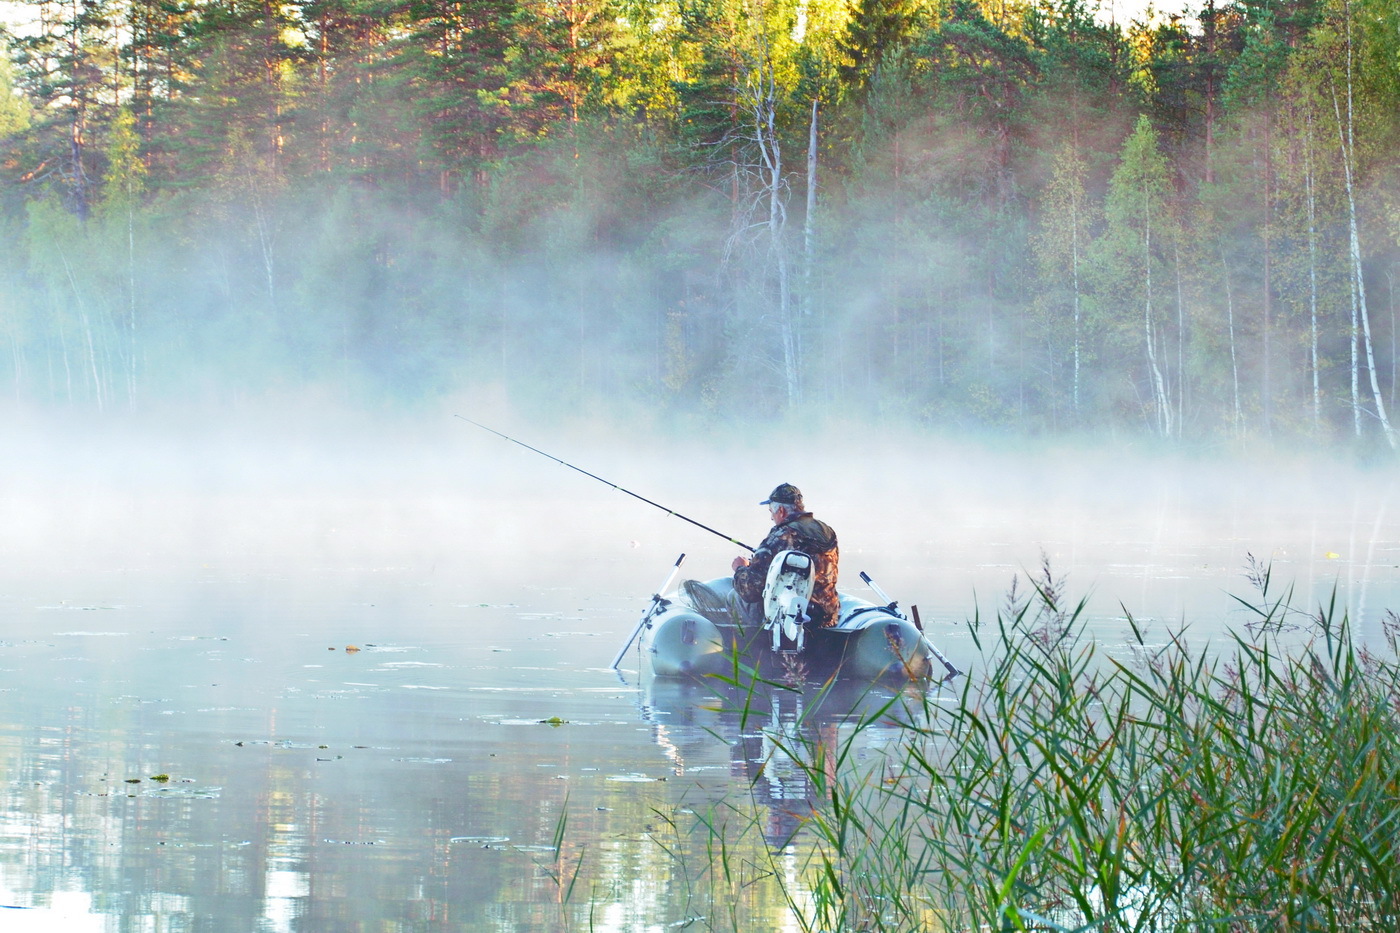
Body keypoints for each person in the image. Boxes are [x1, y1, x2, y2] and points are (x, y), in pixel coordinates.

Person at [731, 483, 840, 628]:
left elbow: (750, 591)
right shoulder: (826, 531)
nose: (771, 518)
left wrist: (740, 569)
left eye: (771, 512)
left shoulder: (781, 535)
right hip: (827, 615)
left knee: (734, 597)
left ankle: (749, 641)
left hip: (792, 618)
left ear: (781, 511)